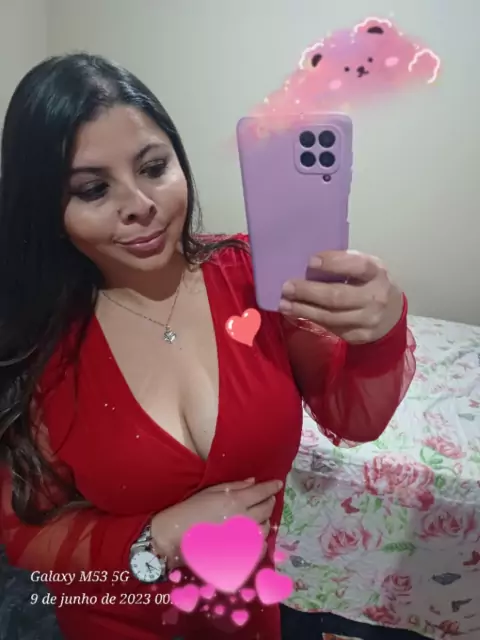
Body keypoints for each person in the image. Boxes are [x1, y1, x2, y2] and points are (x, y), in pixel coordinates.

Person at [0, 53, 415, 640]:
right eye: (93, 189)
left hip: (247, 618)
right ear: (47, 209)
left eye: (154, 167)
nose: (140, 204)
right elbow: (26, 533)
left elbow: (354, 415)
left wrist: (381, 328)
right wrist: (158, 538)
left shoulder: (252, 276)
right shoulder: (40, 345)